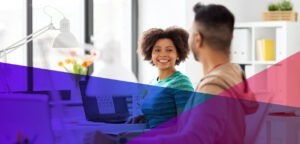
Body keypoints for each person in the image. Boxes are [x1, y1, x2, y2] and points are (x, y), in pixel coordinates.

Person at [84, 3, 258, 144]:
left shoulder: (212, 87)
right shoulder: (233, 74)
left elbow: (191, 139)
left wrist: (118, 142)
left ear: (197, 39)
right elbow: (187, 129)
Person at [127, 27, 194, 128]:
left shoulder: (181, 82)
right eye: (157, 50)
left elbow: (186, 126)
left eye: (169, 50)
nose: (163, 54)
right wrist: (142, 118)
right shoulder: (152, 83)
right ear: (151, 54)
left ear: (178, 55)